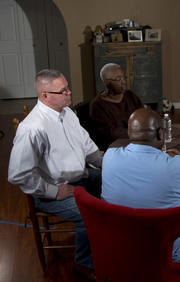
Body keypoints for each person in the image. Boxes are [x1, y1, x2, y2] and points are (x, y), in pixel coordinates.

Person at [8, 69, 102, 280]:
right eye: (63, 90)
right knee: (90, 214)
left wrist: (110, 165)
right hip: (51, 191)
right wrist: (55, 191)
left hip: (79, 177)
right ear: (45, 95)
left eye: (68, 87)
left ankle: (107, 242)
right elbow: (19, 174)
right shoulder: (33, 128)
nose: (69, 93)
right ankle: (84, 262)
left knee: (118, 181)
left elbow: (88, 147)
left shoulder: (68, 113)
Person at [102, 108, 180, 263]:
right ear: (160, 134)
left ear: (130, 133)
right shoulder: (176, 166)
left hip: (121, 243)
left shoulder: (109, 156)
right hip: (166, 251)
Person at [90, 63, 143, 151]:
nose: (123, 82)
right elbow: (112, 133)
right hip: (115, 147)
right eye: (118, 79)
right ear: (106, 82)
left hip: (136, 140)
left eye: (124, 77)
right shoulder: (97, 105)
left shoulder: (129, 95)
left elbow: (143, 114)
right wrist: (139, 133)